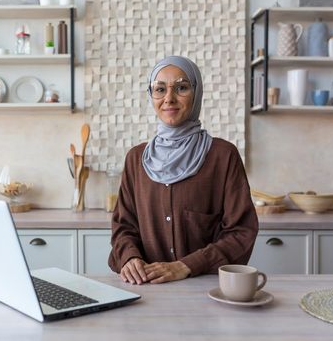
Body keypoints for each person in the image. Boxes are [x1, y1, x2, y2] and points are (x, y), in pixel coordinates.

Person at [108, 56, 258, 284]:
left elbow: (241, 231)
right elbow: (124, 226)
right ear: (151, 96)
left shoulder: (223, 155)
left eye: (181, 88)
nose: (169, 98)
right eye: (160, 89)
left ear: (196, 93)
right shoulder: (136, 159)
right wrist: (129, 258)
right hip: (146, 287)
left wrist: (186, 266)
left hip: (206, 288)